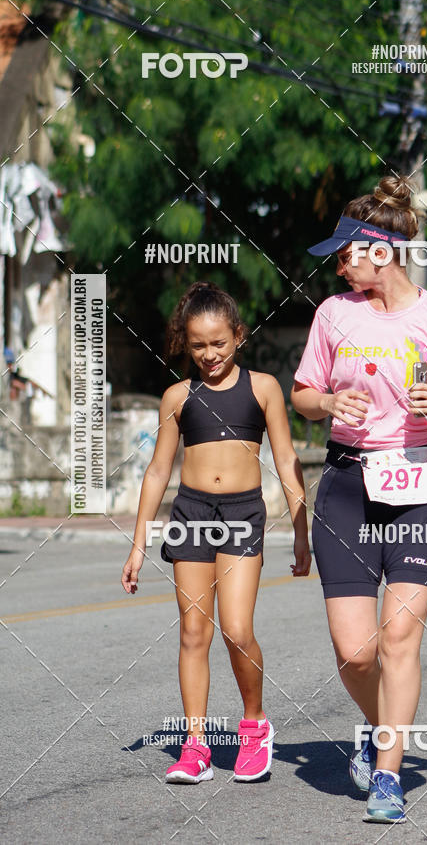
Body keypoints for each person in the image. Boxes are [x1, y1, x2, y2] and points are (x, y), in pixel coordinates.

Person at [291, 175, 427, 823]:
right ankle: (382, 730)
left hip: (420, 489)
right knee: (356, 652)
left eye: (346, 253)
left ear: (382, 251)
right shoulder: (333, 314)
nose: (339, 266)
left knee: (399, 635)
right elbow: (302, 394)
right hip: (348, 488)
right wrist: (327, 402)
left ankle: (386, 774)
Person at [121, 282, 311, 784]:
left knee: (237, 629)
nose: (209, 354)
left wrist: (301, 530)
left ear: (239, 336)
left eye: (219, 343)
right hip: (191, 513)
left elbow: (287, 460)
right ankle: (196, 746)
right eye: (199, 345)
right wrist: (139, 544)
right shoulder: (177, 397)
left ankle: (254, 726)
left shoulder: (263, 388)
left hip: (243, 513)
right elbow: (157, 472)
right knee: (192, 632)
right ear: (187, 344)